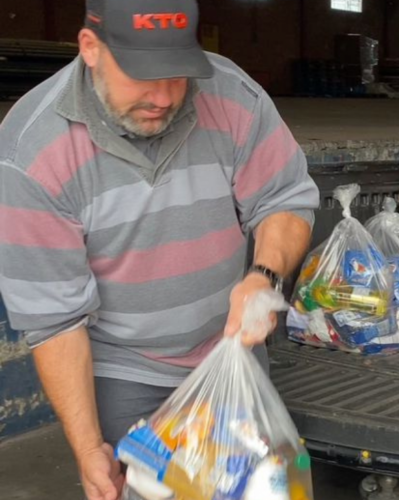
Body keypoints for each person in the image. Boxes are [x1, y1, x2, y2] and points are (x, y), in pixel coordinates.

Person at [0, 1, 319, 499]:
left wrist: (263, 276)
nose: (164, 96)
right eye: (142, 75)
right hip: (124, 367)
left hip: (231, 350)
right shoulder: (32, 154)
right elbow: (55, 321)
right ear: (90, 49)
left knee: (260, 488)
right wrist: (88, 449)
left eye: (177, 73)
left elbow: (284, 197)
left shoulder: (231, 94)